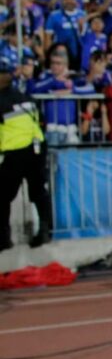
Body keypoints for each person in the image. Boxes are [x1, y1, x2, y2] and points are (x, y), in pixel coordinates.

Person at [0, 58, 53, 250]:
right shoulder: (26, 98)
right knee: (39, 191)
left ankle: (3, 239)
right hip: (37, 149)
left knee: (2, 196)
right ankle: (45, 232)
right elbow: (42, 122)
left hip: (15, 153)